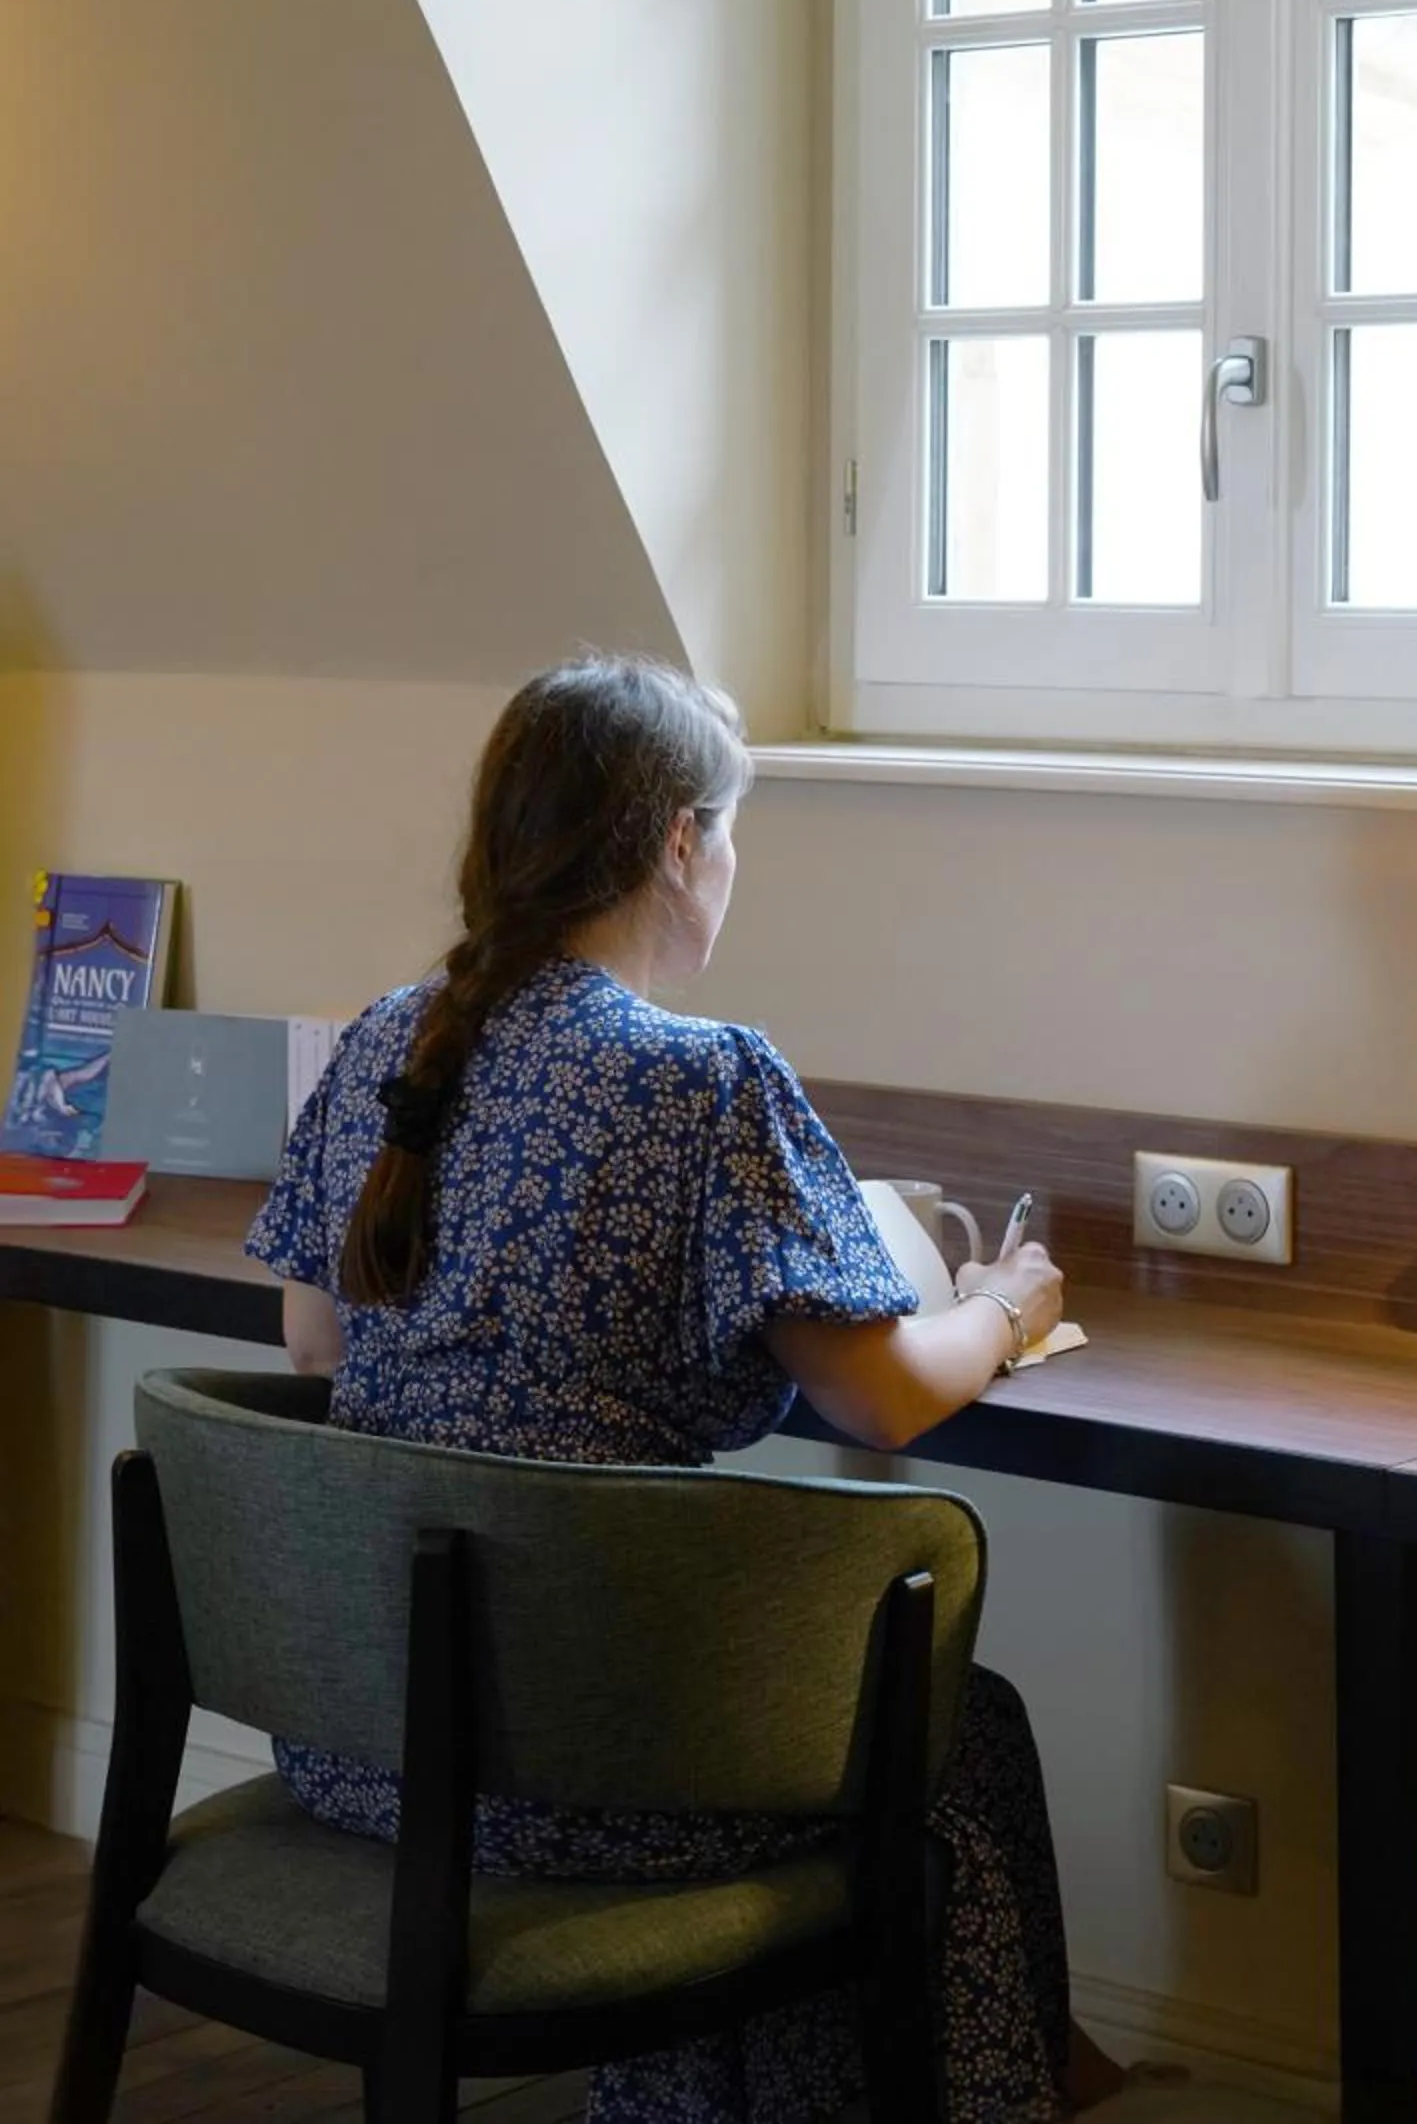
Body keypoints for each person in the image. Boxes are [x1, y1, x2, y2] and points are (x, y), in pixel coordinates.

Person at [246, 652, 1111, 2124]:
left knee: (832, 1703)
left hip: (367, 1743)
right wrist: (1005, 1305)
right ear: (677, 842)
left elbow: (313, 1344)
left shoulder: (391, 1042)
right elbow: (883, 1402)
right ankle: (1016, 2088)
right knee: (956, 1726)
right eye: (735, 833)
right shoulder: (701, 1079)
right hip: (599, 1771)